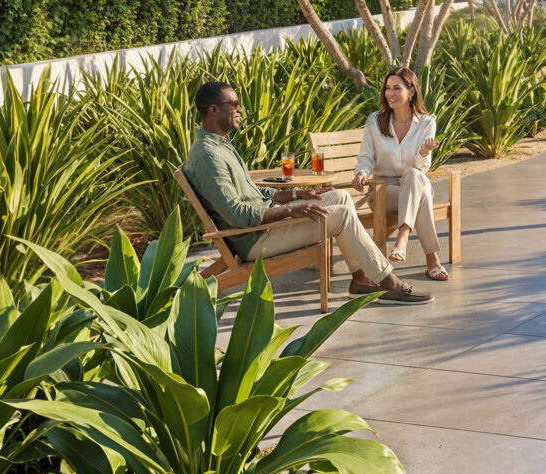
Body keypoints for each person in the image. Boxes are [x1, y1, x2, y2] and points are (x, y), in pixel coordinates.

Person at [182, 80, 428, 303]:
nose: (240, 109)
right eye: (233, 104)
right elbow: (236, 214)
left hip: (264, 227)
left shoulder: (220, 145)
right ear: (213, 110)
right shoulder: (208, 155)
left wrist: (298, 195)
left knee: (339, 197)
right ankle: (389, 283)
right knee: (341, 214)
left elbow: (251, 192)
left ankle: (361, 278)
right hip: (255, 238)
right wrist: (293, 210)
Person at [358, 67, 448, 282]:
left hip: (413, 183)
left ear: (412, 91)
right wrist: (361, 173)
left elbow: (420, 169)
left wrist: (424, 152)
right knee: (421, 191)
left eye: (396, 88)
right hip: (383, 191)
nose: (390, 93)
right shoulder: (375, 121)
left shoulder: (427, 122)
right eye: (388, 88)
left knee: (414, 176)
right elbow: (366, 157)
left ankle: (402, 238)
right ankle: (432, 260)